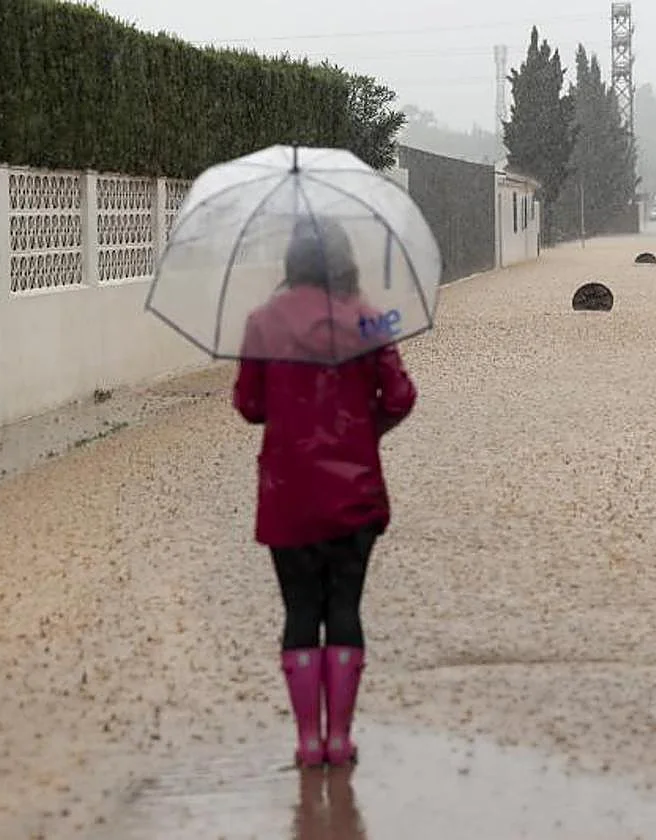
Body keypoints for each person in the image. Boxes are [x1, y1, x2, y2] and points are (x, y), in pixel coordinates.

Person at [233, 216, 417, 768]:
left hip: (288, 495)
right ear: (345, 261)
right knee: (343, 607)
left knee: (299, 611)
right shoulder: (368, 320)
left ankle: (307, 743)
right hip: (355, 494)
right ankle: (340, 738)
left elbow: (250, 406)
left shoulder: (263, 322)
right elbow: (400, 396)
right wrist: (364, 429)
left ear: (292, 262)